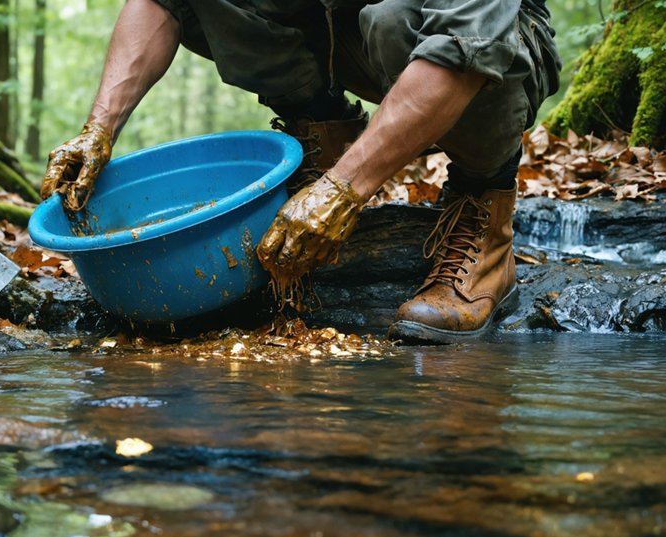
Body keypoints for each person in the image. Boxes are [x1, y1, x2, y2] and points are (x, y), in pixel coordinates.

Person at [40, 0, 561, 343]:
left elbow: (466, 42)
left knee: (392, 19)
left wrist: (345, 189)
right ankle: (323, 138)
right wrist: (99, 128)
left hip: (480, 45)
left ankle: (484, 212)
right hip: (342, 32)